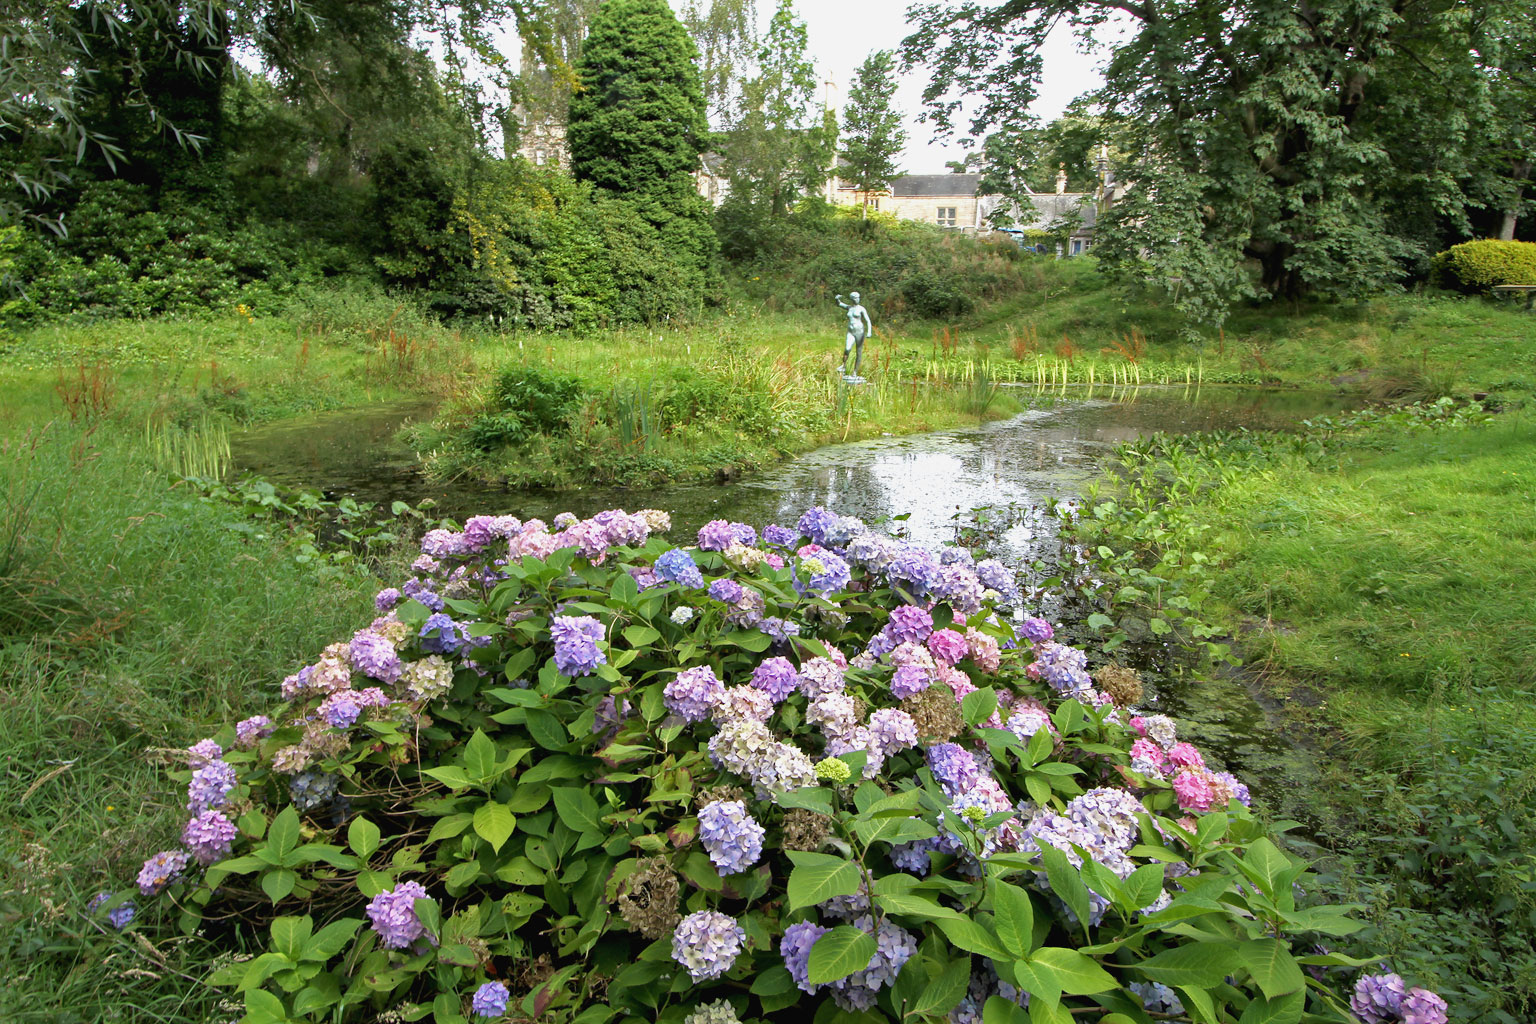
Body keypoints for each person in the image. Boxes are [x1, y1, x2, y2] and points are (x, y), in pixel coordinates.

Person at [834, 291, 873, 377]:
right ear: (851, 299)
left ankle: (855, 372)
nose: (857, 299)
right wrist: (837, 299)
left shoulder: (861, 309)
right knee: (847, 349)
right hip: (850, 332)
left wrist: (869, 331)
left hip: (860, 332)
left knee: (858, 352)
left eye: (858, 298)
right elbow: (839, 304)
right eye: (855, 298)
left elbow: (868, 321)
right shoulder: (849, 308)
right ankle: (843, 366)